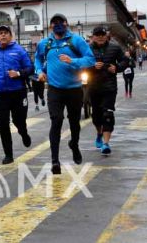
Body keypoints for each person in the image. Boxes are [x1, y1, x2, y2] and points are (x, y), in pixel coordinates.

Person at [34, 14, 95, 175]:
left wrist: (73, 61)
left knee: (74, 122)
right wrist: (39, 71)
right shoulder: (45, 43)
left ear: (67, 24)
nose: (58, 25)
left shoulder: (77, 41)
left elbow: (90, 60)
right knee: (57, 120)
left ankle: (74, 144)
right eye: (54, 22)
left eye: (61, 22)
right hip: (54, 89)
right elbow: (37, 59)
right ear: (50, 26)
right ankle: (55, 160)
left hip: (74, 88)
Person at [0, 25, 33, 165]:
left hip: (18, 92)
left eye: (5, 33)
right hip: (0, 94)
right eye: (0, 33)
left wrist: (18, 73)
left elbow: (30, 68)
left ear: (10, 36)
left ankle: (23, 132)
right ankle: (8, 154)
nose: (3, 35)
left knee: (18, 120)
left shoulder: (19, 50)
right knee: (3, 124)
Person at [87, 27, 128, 155]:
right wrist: (92, 67)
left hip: (109, 87)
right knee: (96, 117)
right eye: (97, 35)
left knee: (108, 115)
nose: (100, 37)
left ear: (106, 36)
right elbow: (79, 65)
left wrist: (117, 68)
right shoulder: (86, 49)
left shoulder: (115, 48)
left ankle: (106, 143)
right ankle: (99, 133)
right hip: (93, 87)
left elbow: (125, 61)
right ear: (93, 36)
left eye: (102, 35)